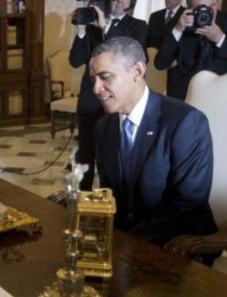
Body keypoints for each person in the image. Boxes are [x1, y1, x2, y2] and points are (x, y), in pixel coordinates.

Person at [91, 36, 217, 247]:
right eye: (93, 79)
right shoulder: (104, 127)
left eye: (105, 77)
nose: (96, 88)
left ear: (137, 72)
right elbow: (110, 195)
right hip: (125, 242)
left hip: (180, 246)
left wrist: (129, 244)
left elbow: (188, 206)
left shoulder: (186, 122)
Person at [70, 0, 148, 190]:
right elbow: (75, 60)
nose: (120, 1)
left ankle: (113, 203)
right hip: (91, 100)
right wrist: (81, 30)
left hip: (118, 100)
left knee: (114, 154)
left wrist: (105, 27)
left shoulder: (138, 26)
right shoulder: (91, 27)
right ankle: (82, 199)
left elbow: (131, 56)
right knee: (86, 152)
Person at [155, 0, 227, 101]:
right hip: (183, 98)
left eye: (212, 6)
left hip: (218, 98)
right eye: (202, 8)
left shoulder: (225, 21)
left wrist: (220, 38)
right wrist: (178, 30)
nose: (209, 12)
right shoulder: (178, 22)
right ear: (191, 10)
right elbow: (160, 63)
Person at [147, 0, 187, 99]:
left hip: (176, 74)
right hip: (154, 71)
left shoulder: (187, 16)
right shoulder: (155, 16)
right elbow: (148, 43)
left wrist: (178, 60)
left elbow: (189, 44)